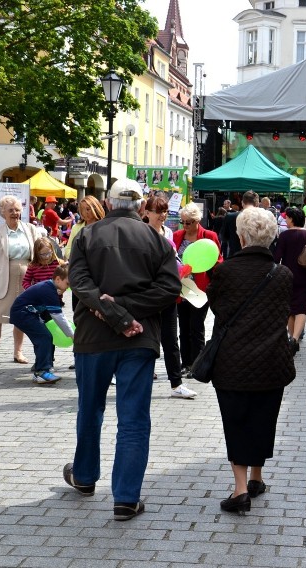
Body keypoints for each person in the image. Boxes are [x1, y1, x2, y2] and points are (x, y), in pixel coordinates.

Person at [63, 178, 181, 520]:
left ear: (110, 203)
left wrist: (115, 310)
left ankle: (85, 477)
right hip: (139, 338)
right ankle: (126, 497)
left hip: (93, 337)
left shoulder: (86, 235)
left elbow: (80, 283)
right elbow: (169, 288)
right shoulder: (156, 240)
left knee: (90, 409)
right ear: (140, 206)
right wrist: (126, 312)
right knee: (133, 419)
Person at [206, 206, 295, 515]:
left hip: (232, 361)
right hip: (272, 361)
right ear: (271, 238)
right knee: (263, 419)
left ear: (241, 237)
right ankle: (257, 477)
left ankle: (241, 488)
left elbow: (216, 306)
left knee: (237, 422)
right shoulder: (282, 274)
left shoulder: (225, 270)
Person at [146, 195, 197, 399]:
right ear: (147, 213)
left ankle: (176, 384)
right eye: (158, 211)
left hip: (168, 291)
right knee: (148, 339)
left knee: (170, 339)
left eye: (165, 211)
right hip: (148, 292)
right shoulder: (141, 232)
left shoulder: (168, 232)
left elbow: (173, 258)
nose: (163, 215)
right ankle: (142, 378)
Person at [0, 195, 39, 367]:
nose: (15, 213)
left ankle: (18, 352)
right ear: (3, 213)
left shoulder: (30, 229)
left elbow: (38, 253)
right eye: (11, 210)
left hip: (27, 278)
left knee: (21, 315)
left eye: (17, 210)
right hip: (3, 278)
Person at [174, 202, 223, 373]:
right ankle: (185, 362)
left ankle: (197, 364)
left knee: (196, 327)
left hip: (200, 290)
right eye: (183, 222)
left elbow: (218, 261)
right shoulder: (177, 236)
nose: (185, 226)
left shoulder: (209, 236)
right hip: (181, 289)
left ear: (197, 221)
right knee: (184, 328)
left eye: (188, 222)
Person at [9, 264, 74, 384]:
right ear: (58, 279)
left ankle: (41, 366)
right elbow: (58, 317)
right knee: (44, 337)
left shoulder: (49, 287)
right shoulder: (49, 290)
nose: (67, 288)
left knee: (42, 337)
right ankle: (41, 372)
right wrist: (72, 335)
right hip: (23, 313)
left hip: (27, 313)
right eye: (68, 284)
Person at [274, 207, 306, 353]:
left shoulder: (284, 236)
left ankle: (291, 337)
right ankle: (295, 338)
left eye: (287, 217)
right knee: (301, 308)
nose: (285, 220)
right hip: (305, 276)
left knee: (289, 308)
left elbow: (276, 258)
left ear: (292, 218)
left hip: (287, 277)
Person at [64, 196, 106, 260]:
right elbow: (68, 250)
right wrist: (79, 260)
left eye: (88, 209)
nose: (85, 212)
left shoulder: (104, 227)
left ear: (96, 209)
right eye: (82, 210)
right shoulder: (76, 228)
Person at [220, 191, 258, 258]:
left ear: (242, 203)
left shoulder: (230, 217)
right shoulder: (263, 218)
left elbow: (223, 237)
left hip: (235, 256)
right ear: (257, 204)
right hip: (256, 259)